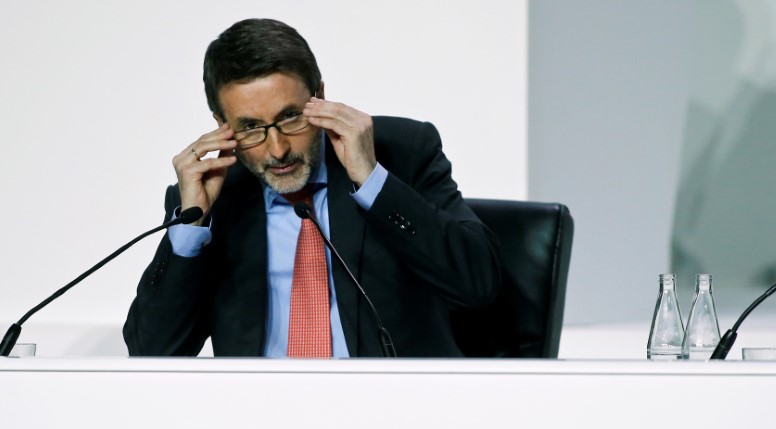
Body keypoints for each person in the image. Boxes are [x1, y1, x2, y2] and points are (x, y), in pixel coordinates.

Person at [123, 18, 501, 358]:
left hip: (391, 412)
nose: (277, 149)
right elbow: (152, 353)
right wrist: (190, 230)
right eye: (251, 127)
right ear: (221, 124)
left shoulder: (400, 152)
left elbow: (478, 285)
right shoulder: (210, 197)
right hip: (256, 417)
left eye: (290, 118)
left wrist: (372, 181)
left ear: (318, 96)